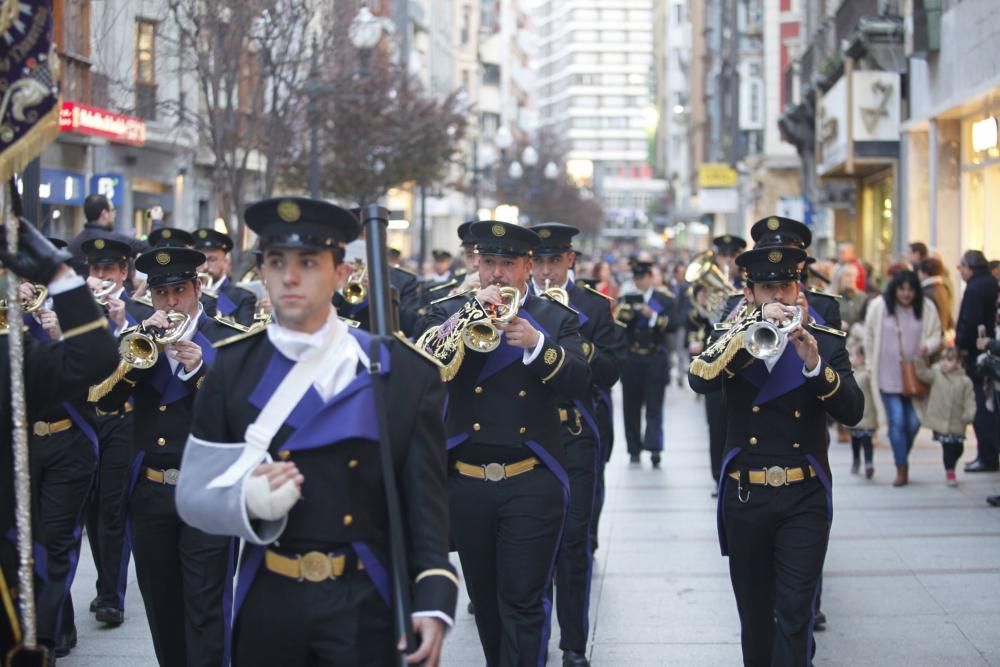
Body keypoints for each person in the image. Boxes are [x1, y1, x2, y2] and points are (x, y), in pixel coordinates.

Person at [175, 198, 456, 666]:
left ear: (341, 274)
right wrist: (246, 503)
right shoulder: (233, 368)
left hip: (365, 599)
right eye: (276, 262)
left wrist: (432, 594)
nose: (290, 277)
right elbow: (195, 495)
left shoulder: (402, 371)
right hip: (271, 599)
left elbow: (425, 501)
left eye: (308, 263)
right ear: (262, 271)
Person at [418, 220, 590, 666]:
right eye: (488, 261)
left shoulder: (554, 317)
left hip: (531, 478)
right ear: (475, 262)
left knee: (523, 602)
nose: (497, 273)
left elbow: (579, 382)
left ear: (527, 266)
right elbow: (424, 369)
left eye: (507, 264)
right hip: (467, 478)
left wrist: (536, 344)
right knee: (488, 604)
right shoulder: (448, 310)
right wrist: (466, 317)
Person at [688, 244, 863, 667]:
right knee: (755, 617)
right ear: (749, 294)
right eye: (768, 288)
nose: (779, 297)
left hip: (803, 496)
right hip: (747, 495)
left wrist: (815, 366)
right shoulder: (730, 340)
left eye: (785, 286)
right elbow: (699, 379)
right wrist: (746, 338)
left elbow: (854, 411)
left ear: (798, 287)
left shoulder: (824, 341)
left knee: (795, 612)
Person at [89, 245, 243, 666]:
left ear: (197, 288)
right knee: (161, 601)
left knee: (206, 604)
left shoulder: (227, 339)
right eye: (161, 294)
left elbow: (242, 416)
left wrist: (199, 372)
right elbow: (102, 399)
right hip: (153, 492)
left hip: (205, 492)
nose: (171, 303)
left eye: (178, 291)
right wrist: (137, 353)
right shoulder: (140, 338)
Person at [1, 218, 120, 662]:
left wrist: (61, 283)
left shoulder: (7, 352)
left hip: (66, 443)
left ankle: (51, 632)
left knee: (53, 544)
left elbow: (95, 356)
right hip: (35, 446)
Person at [531, 222, 623, 667]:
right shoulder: (515, 304)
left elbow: (610, 371)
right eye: (540, 262)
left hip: (574, 434)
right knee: (533, 544)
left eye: (555, 260)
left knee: (574, 542)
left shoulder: (593, 305)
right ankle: (535, 635)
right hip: (530, 437)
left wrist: (577, 344)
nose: (547, 271)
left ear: (570, 260)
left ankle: (572, 643)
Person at [80, 236, 153, 629]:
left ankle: (112, 596)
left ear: (124, 272)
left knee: (113, 507)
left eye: (109, 269)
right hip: (86, 420)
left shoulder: (140, 312)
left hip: (124, 420)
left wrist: (122, 323)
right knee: (92, 508)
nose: (102, 276)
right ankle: (104, 583)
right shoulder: (78, 313)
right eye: (96, 269)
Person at [863, 270, 942, 486]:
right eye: (902, 289)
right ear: (895, 289)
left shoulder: (926, 307)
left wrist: (928, 346)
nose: (906, 294)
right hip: (886, 376)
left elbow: (937, 334)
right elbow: (869, 337)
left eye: (910, 290)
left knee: (914, 423)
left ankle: (901, 455)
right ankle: (901, 467)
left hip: (915, 376)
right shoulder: (879, 307)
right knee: (896, 422)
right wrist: (870, 364)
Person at [616, 260, 677, 467]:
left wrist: (652, 316)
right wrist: (627, 313)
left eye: (642, 278)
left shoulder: (663, 299)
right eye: (636, 278)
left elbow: (674, 324)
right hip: (632, 359)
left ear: (650, 277)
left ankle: (654, 448)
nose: (639, 282)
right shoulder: (627, 298)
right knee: (630, 406)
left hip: (654, 359)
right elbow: (619, 327)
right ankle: (634, 448)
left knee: (654, 406)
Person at [956, 250, 1000, 472]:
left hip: (983, 356)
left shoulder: (975, 288)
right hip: (990, 354)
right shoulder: (991, 283)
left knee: (983, 407)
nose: (959, 271)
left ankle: (988, 455)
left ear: (970, 267)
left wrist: (960, 343)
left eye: (961, 267)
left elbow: (969, 322)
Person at [913, 347, 976, 486]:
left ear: (958, 362)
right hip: (940, 422)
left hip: (958, 422)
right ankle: (950, 471)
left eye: (949, 360)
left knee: (959, 448)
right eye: (942, 359)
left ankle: (951, 465)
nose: (945, 363)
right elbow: (922, 373)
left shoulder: (965, 381)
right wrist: (919, 359)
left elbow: (970, 400)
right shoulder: (936, 375)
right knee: (947, 447)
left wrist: (969, 414)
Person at [68, 194, 146, 275]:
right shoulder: (115, 239)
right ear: (104, 213)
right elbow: (148, 248)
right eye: (112, 210)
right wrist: (156, 221)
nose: (114, 214)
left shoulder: (73, 244)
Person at [192, 228, 258, 325]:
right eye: (200, 261)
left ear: (226, 262)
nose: (205, 267)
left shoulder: (243, 297)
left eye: (212, 260)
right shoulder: (186, 294)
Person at [848, 344, 878, 479]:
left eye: (853, 355)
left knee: (867, 441)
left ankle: (869, 463)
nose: (851, 358)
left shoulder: (867, 374)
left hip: (868, 414)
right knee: (855, 441)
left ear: (861, 358)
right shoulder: (850, 372)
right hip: (854, 413)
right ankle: (856, 460)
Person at [918, 257, 955, 338]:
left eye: (919, 271)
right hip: (943, 335)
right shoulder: (944, 288)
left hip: (931, 338)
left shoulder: (925, 292)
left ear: (925, 272)